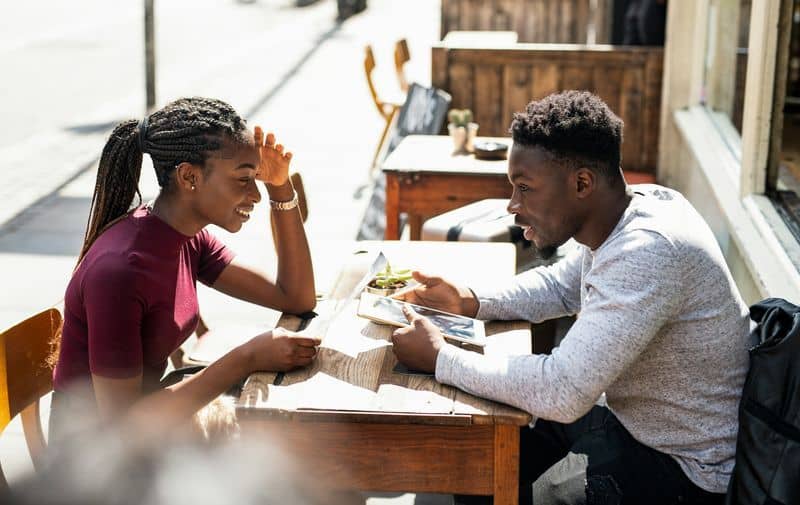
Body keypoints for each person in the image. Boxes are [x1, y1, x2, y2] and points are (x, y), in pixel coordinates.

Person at [391, 90, 749, 504]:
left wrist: (440, 358)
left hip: (683, 470)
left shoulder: (648, 250)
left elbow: (562, 390)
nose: (512, 205)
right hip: (631, 421)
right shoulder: (632, 211)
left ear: (582, 183)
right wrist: (469, 300)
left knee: (505, 486)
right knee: (477, 462)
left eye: (525, 188)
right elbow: (560, 286)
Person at [50, 97, 320, 441]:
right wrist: (247, 357)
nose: (254, 193)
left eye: (256, 179)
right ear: (189, 176)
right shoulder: (120, 271)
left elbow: (295, 297)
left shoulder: (187, 237)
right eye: (243, 179)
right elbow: (123, 433)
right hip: (93, 468)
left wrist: (280, 186)